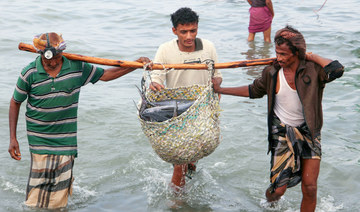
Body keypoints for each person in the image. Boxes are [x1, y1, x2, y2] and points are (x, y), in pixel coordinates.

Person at [8, 32, 150, 209]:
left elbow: (106, 75)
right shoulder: (29, 73)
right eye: (47, 61)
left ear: (62, 53)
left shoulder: (77, 67)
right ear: (40, 55)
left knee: (59, 195)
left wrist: (135, 64)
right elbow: (15, 102)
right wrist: (13, 139)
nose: (52, 63)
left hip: (66, 139)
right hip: (39, 138)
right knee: (37, 193)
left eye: (56, 59)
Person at [212, 26, 344, 211]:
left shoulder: (313, 70)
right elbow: (254, 90)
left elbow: (337, 69)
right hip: (281, 132)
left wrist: (311, 56)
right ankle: (269, 203)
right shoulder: (272, 72)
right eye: (277, 53)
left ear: (297, 52)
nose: (280, 58)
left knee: (310, 187)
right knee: (278, 190)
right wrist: (221, 90)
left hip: (309, 132)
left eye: (284, 54)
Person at [149, 7, 223, 190]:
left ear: (197, 28)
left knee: (193, 158)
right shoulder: (165, 50)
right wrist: (155, 83)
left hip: (202, 108)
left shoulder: (208, 47)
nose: (189, 36)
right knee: (179, 166)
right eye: (184, 32)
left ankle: (188, 178)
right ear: (175, 31)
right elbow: (157, 76)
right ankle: (177, 203)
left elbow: (218, 75)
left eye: (193, 31)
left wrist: (216, 83)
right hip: (177, 111)